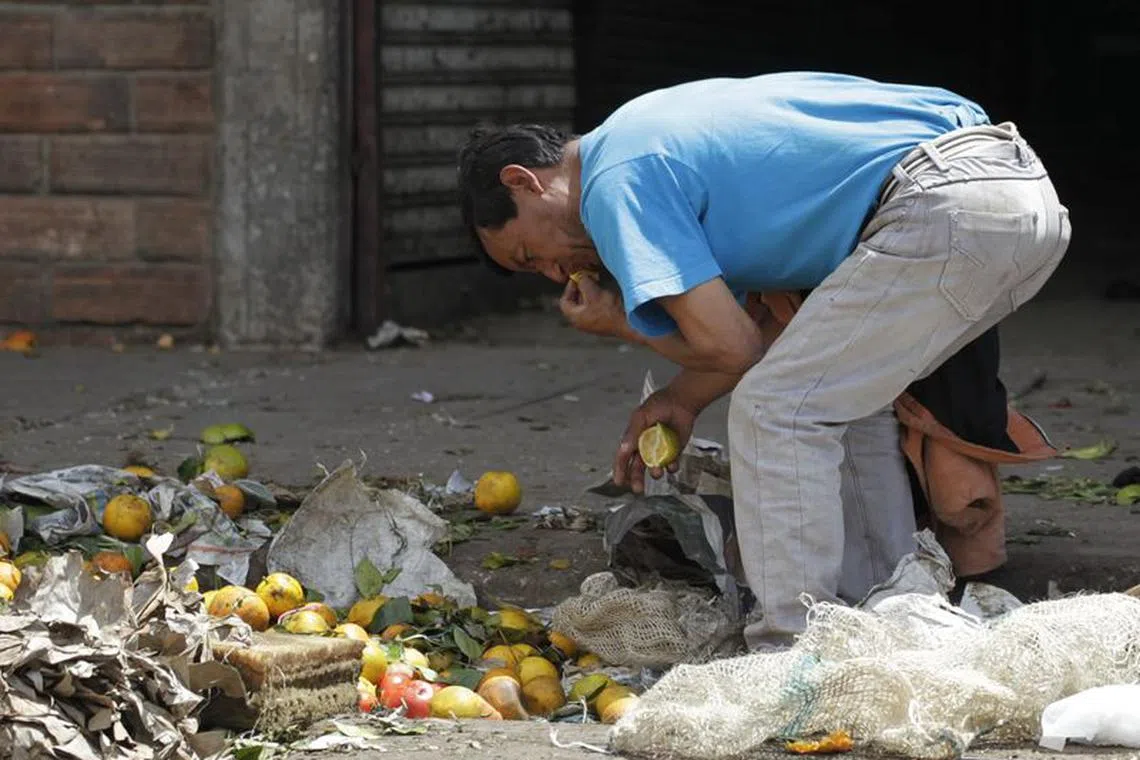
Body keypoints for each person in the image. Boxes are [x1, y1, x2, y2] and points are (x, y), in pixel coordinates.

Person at [456, 71, 1071, 650]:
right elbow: (758, 337)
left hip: (948, 201)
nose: (553, 272)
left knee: (776, 410)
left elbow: (736, 350)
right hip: (1011, 192)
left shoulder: (614, 179)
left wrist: (619, 324)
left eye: (527, 255)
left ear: (523, 181)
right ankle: (883, 610)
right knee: (837, 403)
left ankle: (788, 653)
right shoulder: (643, 135)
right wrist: (680, 397)